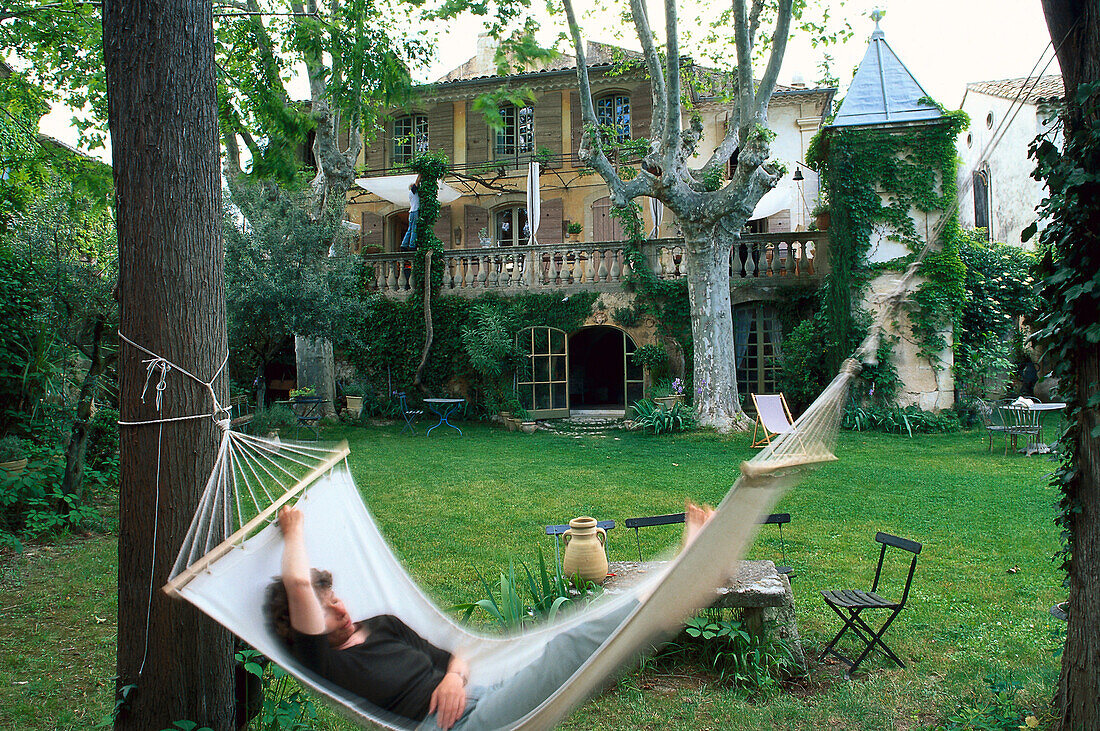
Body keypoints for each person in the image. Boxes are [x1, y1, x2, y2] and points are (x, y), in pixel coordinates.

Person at [265, 502, 715, 731]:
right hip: (445, 728)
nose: (340, 607)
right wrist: (295, 532)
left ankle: (672, 589)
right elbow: (298, 587)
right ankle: (677, 578)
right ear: (303, 624)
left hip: (476, 695)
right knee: (567, 648)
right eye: (324, 610)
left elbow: (454, 657)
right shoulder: (319, 658)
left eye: (335, 596)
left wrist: (452, 679)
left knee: (553, 654)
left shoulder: (379, 624)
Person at [400, 175, 422, 251]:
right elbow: (417, 182)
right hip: (415, 211)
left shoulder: (411, 194)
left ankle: (404, 244)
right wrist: (420, 174)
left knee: (410, 229)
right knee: (414, 228)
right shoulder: (413, 191)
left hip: (411, 212)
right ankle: (412, 245)